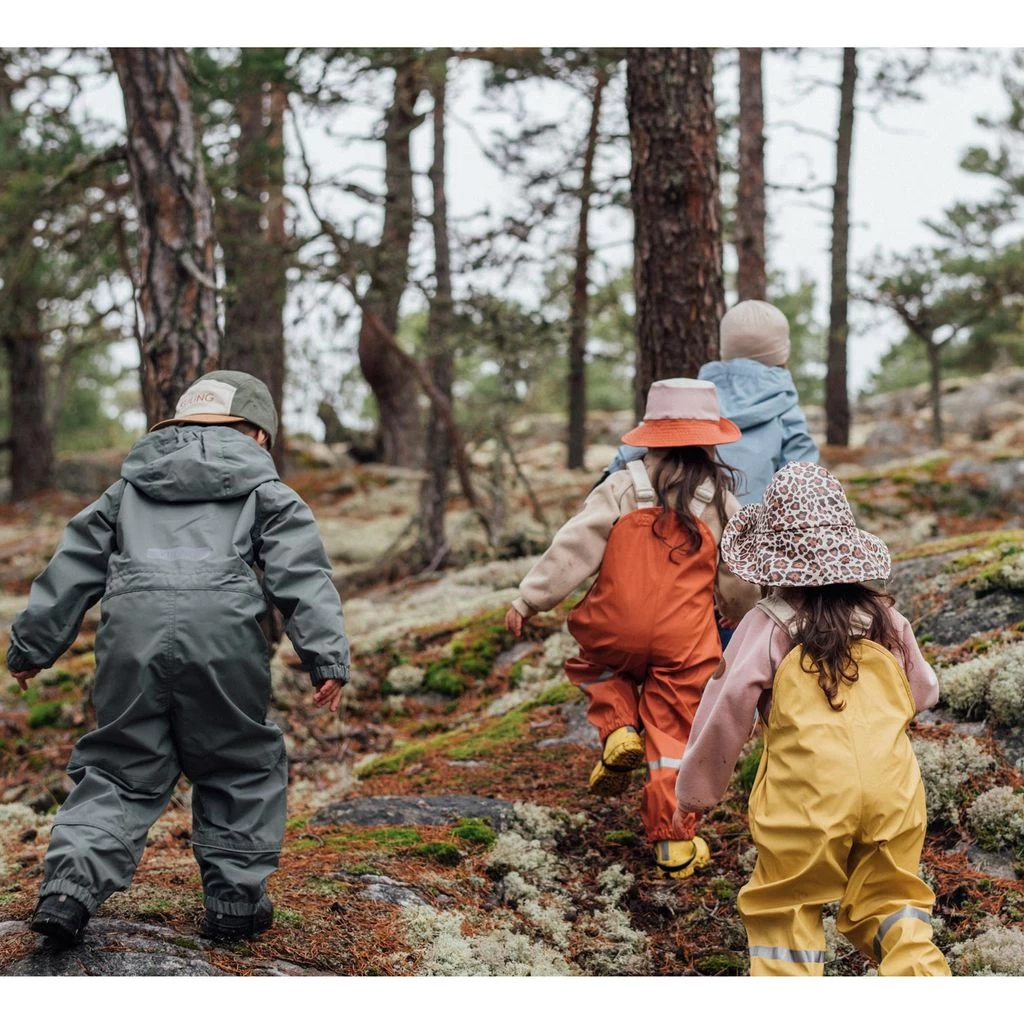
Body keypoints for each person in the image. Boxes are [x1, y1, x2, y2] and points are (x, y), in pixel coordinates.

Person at [6, 371, 349, 946]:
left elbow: (72, 568)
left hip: (131, 634)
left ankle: (68, 891)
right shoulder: (267, 493)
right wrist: (326, 657)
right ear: (259, 435)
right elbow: (302, 576)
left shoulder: (126, 490)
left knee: (120, 765)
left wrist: (32, 647)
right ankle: (234, 904)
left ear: (178, 424)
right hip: (224, 637)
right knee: (237, 761)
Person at [674, 462, 951, 977]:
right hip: (894, 792)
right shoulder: (886, 618)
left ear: (775, 559)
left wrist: (694, 795)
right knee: (892, 903)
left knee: (786, 906)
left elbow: (725, 711)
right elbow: (924, 691)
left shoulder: (766, 624)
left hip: (807, 798)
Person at [506, 379, 760, 877]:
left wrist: (530, 598)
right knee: (673, 729)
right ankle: (673, 844)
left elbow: (574, 545)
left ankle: (620, 727)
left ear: (650, 436)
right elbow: (736, 574)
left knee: (596, 664)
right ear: (711, 441)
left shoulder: (623, 485)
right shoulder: (719, 500)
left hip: (615, 625)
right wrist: (739, 611)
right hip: (684, 638)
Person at [597, 300, 819, 505]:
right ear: (783, 352)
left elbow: (635, 450)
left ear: (724, 347)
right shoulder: (785, 411)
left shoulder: (691, 400)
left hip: (677, 532)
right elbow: (803, 486)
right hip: (751, 539)